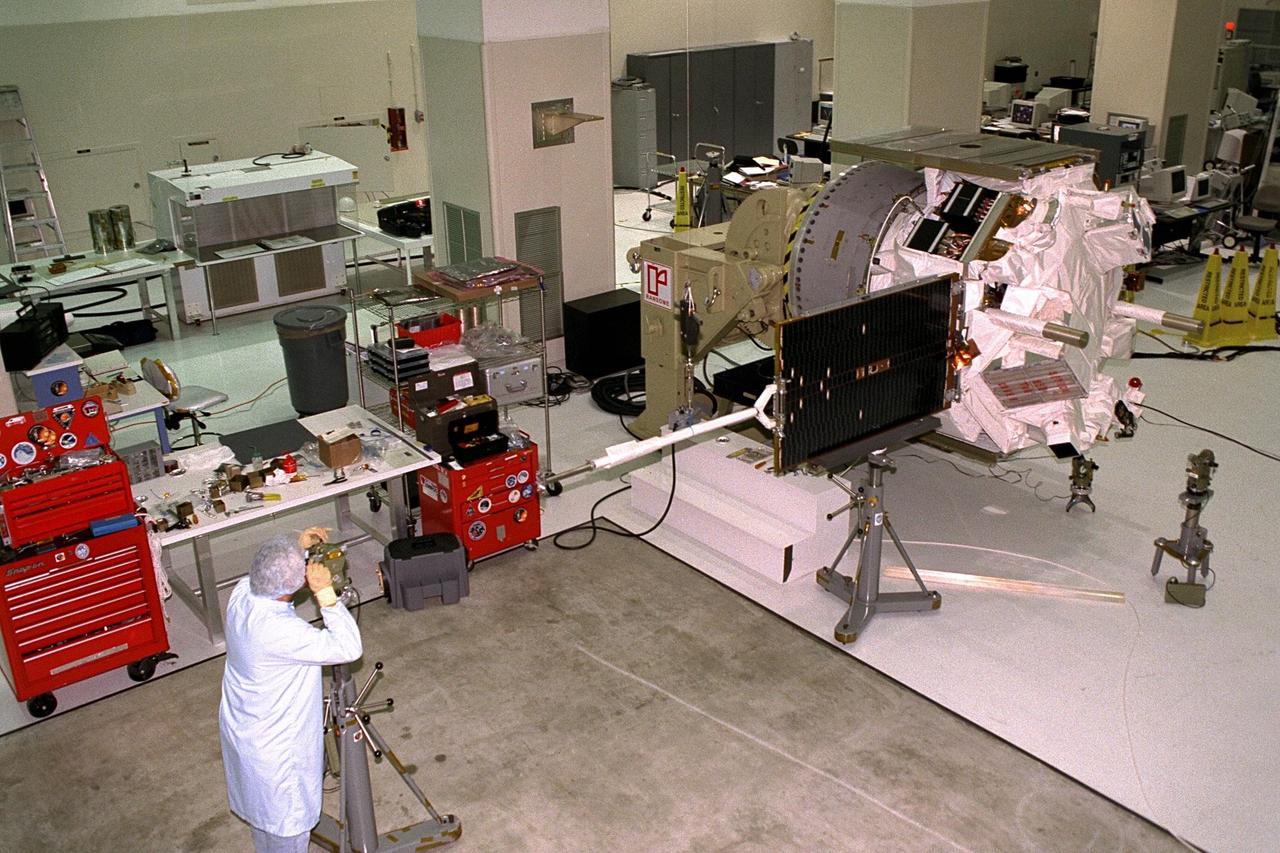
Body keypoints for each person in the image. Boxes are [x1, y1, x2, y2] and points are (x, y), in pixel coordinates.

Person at [219, 527, 362, 853]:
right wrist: (326, 594)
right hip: (278, 757)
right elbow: (349, 647)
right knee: (287, 832)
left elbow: (267, 566)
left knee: (263, 826)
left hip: (247, 738)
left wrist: (296, 544)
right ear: (294, 586)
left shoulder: (242, 596)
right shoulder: (283, 632)